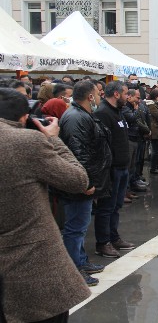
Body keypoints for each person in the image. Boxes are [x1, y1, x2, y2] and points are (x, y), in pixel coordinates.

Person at [0, 88, 91, 323]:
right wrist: (52, 139)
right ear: (23, 118)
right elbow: (77, 180)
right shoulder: (27, 141)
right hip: (32, 269)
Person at [55, 80, 111, 287]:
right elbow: (79, 153)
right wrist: (86, 182)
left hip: (84, 180)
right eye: (97, 93)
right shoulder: (75, 117)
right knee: (75, 228)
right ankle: (73, 270)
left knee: (79, 226)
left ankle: (80, 261)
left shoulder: (81, 115)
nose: (99, 97)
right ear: (89, 97)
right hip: (79, 183)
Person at [94, 81, 136, 257]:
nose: (129, 97)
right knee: (106, 207)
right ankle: (103, 242)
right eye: (126, 94)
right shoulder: (103, 113)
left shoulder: (118, 112)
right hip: (111, 169)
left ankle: (114, 236)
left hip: (122, 167)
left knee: (116, 206)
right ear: (117, 94)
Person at [146, 89, 158, 174]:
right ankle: (153, 168)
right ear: (156, 97)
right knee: (155, 151)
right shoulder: (151, 105)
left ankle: (157, 166)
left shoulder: (157, 104)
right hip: (155, 130)